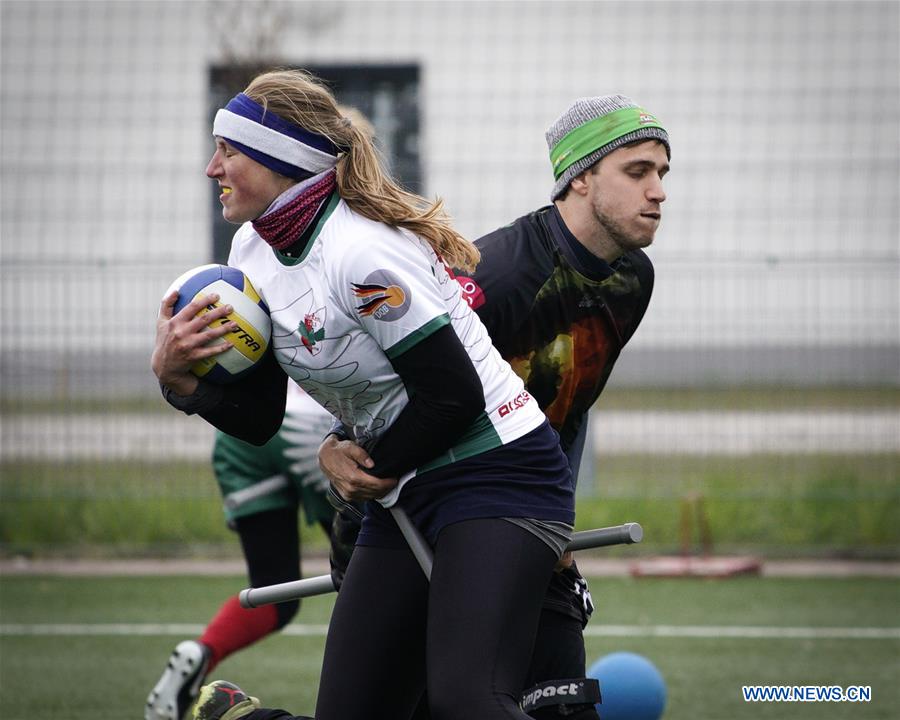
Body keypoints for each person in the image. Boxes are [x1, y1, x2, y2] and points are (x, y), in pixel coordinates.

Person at [151, 68, 575, 720]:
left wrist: (358, 462)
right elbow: (263, 417)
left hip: (499, 473)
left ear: (281, 156)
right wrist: (182, 383)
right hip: (407, 484)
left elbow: (453, 396)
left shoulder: (361, 253)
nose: (212, 168)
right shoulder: (251, 250)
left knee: (468, 699)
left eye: (228, 149)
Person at [318, 93, 670, 720]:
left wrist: (553, 514)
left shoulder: (631, 279)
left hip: (519, 507)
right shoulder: (502, 271)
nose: (658, 191)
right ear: (581, 178)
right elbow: (400, 376)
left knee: (553, 702)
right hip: (425, 508)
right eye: (637, 171)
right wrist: (339, 452)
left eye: (662, 174)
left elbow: (568, 405)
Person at [145, 383, 338, 720]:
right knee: (379, 571)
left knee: (273, 589)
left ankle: (204, 651)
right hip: (314, 426)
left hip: (243, 425)